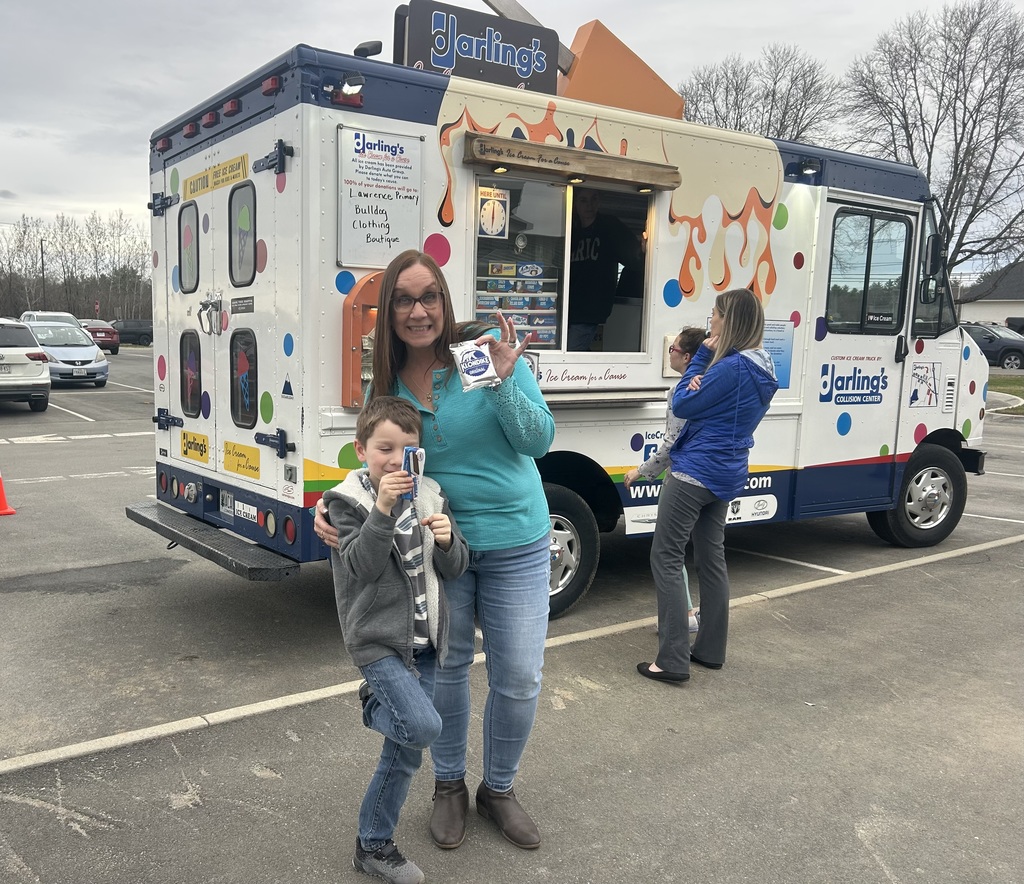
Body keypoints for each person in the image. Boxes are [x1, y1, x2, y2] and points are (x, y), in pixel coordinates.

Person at [315, 249, 554, 851]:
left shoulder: (478, 358)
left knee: (519, 675)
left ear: (445, 302)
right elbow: (375, 455)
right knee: (445, 672)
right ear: (389, 309)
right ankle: (448, 785)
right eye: (403, 299)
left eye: (429, 297)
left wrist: (501, 383)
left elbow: (539, 440)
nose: (418, 311)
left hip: (516, 538)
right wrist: (332, 503)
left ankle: (497, 789)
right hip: (437, 543)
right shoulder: (389, 380)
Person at [324, 395, 469, 884]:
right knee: (424, 728)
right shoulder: (347, 503)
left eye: (407, 449)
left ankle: (373, 845)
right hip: (378, 643)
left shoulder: (431, 495)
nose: (395, 459)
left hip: (425, 643)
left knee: (404, 751)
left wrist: (450, 541)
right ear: (361, 448)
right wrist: (383, 509)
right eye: (384, 447)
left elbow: (453, 568)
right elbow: (361, 569)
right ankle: (373, 704)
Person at [637, 288, 779, 683]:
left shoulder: (728, 368)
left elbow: (681, 403)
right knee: (711, 559)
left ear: (728, 320)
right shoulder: (763, 367)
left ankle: (671, 660)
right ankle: (711, 649)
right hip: (728, 471)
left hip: (694, 471)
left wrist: (700, 355)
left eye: (714, 314)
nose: (709, 321)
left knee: (665, 557)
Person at [623, 326, 709, 634]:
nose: (668, 352)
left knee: (668, 553)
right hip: (713, 478)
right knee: (705, 554)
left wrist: (642, 470)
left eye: (672, 349)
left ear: (686, 357)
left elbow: (673, 441)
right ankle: (701, 616)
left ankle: (681, 618)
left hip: (684, 478)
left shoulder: (681, 392)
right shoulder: (712, 384)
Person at [567, 189, 644, 351]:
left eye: (593, 199)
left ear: (599, 202)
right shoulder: (570, 228)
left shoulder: (610, 227)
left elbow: (634, 258)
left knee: (573, 354)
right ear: (574, 204)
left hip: (589, 312)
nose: (589, 205)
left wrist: (644, 249)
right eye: (583, 200)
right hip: (566, 310)